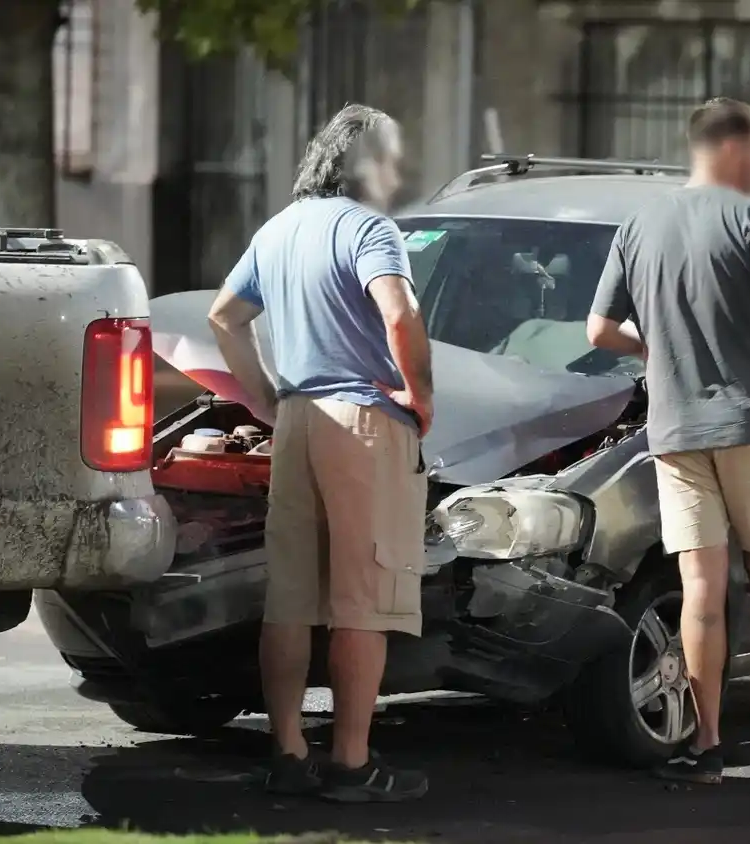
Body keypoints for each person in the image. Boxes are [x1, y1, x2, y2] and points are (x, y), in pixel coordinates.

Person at [585, 97, 750, 785]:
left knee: (701, 591)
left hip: (678, 431)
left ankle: (707, 749)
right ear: (729, 149)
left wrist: (656, 350)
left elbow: (599, 330)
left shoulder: (639, 226)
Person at [207, 104, 433, 802]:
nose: (398, 171)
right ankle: (351, 765)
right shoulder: (370, 229)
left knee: (292, 600)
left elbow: (224, 317)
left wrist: (268, 400)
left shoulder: (277, 231)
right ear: (363, 162)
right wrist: (420, 398)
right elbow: (399, 313)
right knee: (363, 602)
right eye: (391, 156)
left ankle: (286, 752)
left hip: (299, 419)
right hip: (365, 423)